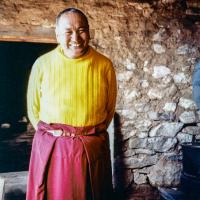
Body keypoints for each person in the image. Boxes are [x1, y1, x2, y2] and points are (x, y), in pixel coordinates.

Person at [26, 8, 117, 200]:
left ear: (89, 32)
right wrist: (58, 137)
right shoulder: (42, 64)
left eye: (82, 29)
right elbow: (33, 110)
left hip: (91, 146)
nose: (75, 37)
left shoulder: (104, 65)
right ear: (58, 34)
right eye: (68, 31)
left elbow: (109, 109)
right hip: (53, 146)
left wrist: (85, 135)